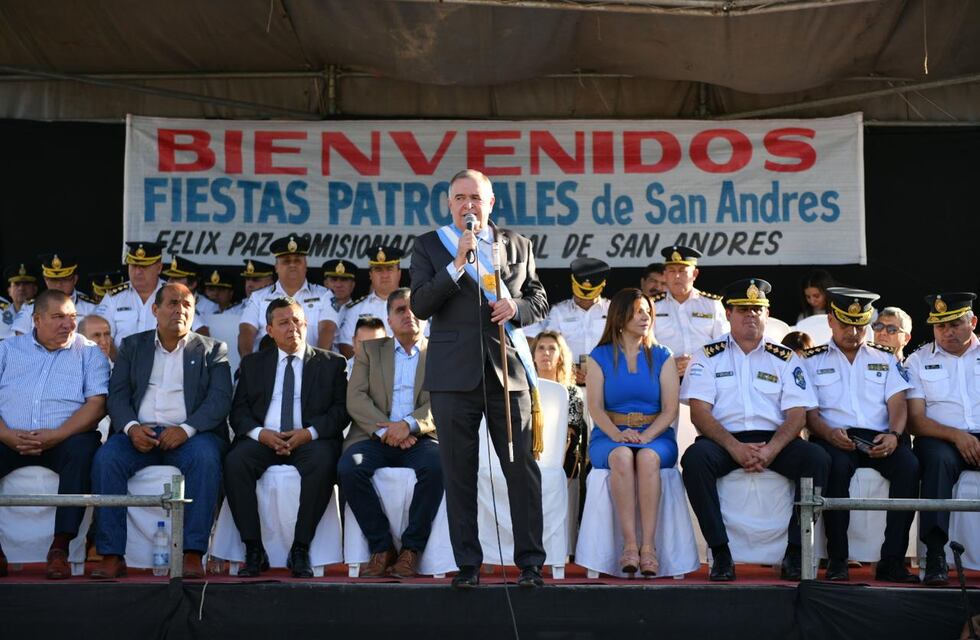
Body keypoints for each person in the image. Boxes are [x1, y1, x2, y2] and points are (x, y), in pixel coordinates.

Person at [410, 168, 549, 589]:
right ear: (449, 204)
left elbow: (539, 298)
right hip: (453, 377)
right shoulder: (431, 246)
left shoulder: (518, 244)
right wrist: (455, 267)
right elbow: (419, 304)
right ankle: (468, 564)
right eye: (459, 198)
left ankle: (530, 563)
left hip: (508, 373)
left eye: (476, 198)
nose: (468, 205)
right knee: (458, 471)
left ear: (491, 203)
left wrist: (517, 309)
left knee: (520, 469)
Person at [680, 278, 830, 582]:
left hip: (776, 441)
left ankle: (795, 551)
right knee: (695, 460)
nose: (751, 315)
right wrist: (734, 447)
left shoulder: (785, 358)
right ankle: (721, 552)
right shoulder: (707, 355)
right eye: (744, 309)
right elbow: (700, 412)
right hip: (724, 441)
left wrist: (772, 448)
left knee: (817, 459)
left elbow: (797, 414)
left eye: (757, 310)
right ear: (729, 313)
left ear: (767, 313)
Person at [91, 283, 232, 579]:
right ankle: (111, 554)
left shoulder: (213, 350)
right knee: (106, 459)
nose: (179, 310)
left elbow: (219, 400)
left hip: (191, 436)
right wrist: (130, 428)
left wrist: (186, 429)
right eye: (172, 303)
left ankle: (192, 553)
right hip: (139, 434)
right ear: (155, 310)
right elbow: (117, 395)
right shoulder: (132, 346)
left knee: (206, 460)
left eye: (187, 305)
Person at [801, 287, 919, 583]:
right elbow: (808, 413)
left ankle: (892, 559)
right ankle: (838, 559)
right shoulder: (812, 360)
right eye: (845, 324)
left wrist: (894, 434)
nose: (853, 331)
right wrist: (827, 433)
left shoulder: (886, 357)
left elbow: (898, 403)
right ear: (830, 320)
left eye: (859, 324)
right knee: (836, 467)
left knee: (910, 466)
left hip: (879, 436)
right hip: (833, 436)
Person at [225, 297, 348, 577]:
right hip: (264, 439)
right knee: (235, 462)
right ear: (269, 330)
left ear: (306, 324)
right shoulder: (254, 364)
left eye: (297, 321)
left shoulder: (332, 363)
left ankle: (301, 548)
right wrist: (261, 434)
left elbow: (340, 412)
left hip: (309, 440)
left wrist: (309, 433)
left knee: (323, 461)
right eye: (283, 322)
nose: (292, 327)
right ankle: (253, 549)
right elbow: (239, 412)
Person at [0, 290, 110, 579]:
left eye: (72, 317)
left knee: (84, 448)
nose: (68, 324)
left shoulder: (89, 353)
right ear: (36, 319)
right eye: (58, 316)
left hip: (65, 439)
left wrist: (59, 434)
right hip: (8, 437)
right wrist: (6, 435)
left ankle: (60, 547)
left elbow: (97, 406)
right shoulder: (7, 350)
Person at [340, 288, 441, 578]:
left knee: (437, 467)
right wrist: (388, 431)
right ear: (389, 319)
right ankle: (382, 547)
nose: (409, 314)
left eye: (414, 309)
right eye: (400, 310)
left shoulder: (438, 353)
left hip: (420, 438)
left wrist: (407, 426)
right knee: (349, 467)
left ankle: (411, 550)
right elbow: (356, 398)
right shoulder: (371, 351)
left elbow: (441, 401)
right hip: (375, 437)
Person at [585, 289, 680, 576]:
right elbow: (596, 408)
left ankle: (648, 547)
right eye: (639, 311)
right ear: (620, 315)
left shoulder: (663, 355)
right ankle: (629, 546)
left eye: (648, 312)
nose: (645, 317)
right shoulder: (598, 356)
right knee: (623, 457)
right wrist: (616, 434)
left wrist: (648, 435)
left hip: (656, 436)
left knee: (648, 458)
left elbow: (670, 409)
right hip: (609, 436)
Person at [906, 292, 980, 586]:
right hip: (940, 437)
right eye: (940, 326)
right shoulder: (918, 360)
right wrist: (956, 436)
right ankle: (936, 555)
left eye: (955, 323)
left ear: (973, 322)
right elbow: (915, 420)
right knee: (935, 461)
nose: (947, 332)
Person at [95, 241, 204, 346]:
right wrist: (122, 361)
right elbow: (99, 336)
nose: (137, 272)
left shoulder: (174, 294)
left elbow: (200, 330)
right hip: (120, 362)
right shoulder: (113, 297)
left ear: (159, 267)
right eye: (133, 265)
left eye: (144, 266)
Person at [238, 235, 331, 357]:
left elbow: (327, 330)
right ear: (276, 267)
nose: (292, 265)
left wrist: (318, 364)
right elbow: (246, 331)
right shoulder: (258, 297)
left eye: (297, 260)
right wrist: (247, 363)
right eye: (286, 261)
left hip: (310, 366)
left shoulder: (324, 295)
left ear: (305, 265)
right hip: (266, 367)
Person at [651, 245, 726, 379]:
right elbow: (645, 344)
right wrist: (669, 363)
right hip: (664, 375)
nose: (677, 276)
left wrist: (696, 360)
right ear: (665, 275)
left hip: (705, 374)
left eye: (682, 270)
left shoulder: (712, 304)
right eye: (671, 271)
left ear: (695, 274)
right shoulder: (652, 305)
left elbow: (724, 343)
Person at [540, 258, 611, 385]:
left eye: (590, 292)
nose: (585, 298)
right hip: (569, 378)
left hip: (607, 377)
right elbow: (550, 344)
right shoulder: (559, 311)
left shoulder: (612, 310)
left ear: (603, 285)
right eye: (581, 291)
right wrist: (570, 368)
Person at [531, 330, 587, 478]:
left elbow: (570, 436)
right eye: (541, 348)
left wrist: (551, 471)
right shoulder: (524, 392)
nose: (546, 353)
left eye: (552, 348)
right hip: (528, 466)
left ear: (561, 357)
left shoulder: (573, 393)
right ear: (533, 357)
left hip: (562, 468)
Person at [335, 246, 404, 358]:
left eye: (390, 268)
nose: (384, 275)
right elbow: (346, 345)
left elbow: (425, 340)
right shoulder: (354, 309)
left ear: (399, 273)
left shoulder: (414, 306)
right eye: (378, 270)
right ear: (370, 275)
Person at [12, 254, 98, 336]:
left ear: (75, 279)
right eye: (53, 280)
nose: (58, 285)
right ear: (45, 280)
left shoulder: (91, 308)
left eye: (64, 279)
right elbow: (19, 341)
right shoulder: (30, 308)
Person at [316, 259, 358, 351]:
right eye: (334, 279)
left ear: (352, 285)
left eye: (344, 280)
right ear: (326, 283)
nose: (338, 285)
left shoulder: (361, 309)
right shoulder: (315, 307)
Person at [1, 263, 39, 340]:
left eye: (26, 284)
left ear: (35, 289)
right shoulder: (1, 311)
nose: (21, 288)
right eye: (16, 284)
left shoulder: (43, 310)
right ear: (9, 291)